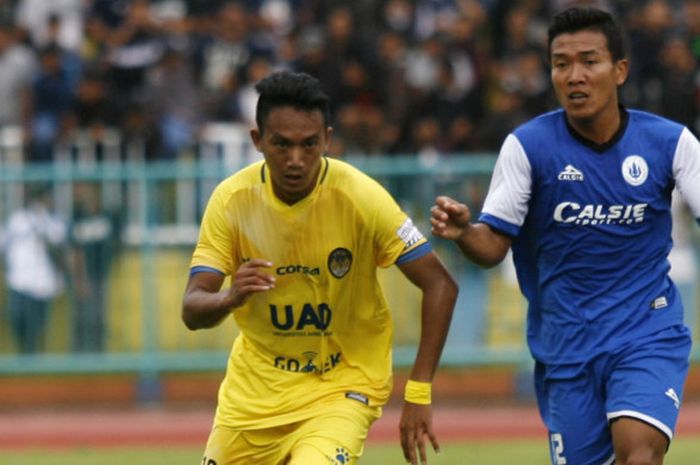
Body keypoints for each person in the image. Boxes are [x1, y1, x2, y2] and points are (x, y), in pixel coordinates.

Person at [431, 6, 700, 465]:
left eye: (589, 61)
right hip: (566, 346)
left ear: (619, 70)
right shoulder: (528, 147)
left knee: (638, 454)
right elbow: (493, 246)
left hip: (646, 332)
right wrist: (463, 233)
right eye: (561, 64)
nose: (574, 75)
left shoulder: (672, 143)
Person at [182, 70, 457, 465]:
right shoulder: (231, 201)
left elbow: (440, 284)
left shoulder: (362, 197)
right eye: (282, 145)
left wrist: (418, 392)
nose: (296, 160)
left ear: (327, 139)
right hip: (254, 397)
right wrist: (230, 296)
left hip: (342, 386)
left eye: (310, 145)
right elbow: (192, 308)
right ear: (257, 141)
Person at [2, 184, 67, 353]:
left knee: (36, 323)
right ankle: (23, 353)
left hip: (42, 283)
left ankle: (32, 356)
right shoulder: (18, 219)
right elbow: (4, 242)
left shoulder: (53, 220)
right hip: (19, 279)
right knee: (16, 317)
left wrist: (42, 222)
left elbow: (58, 241)